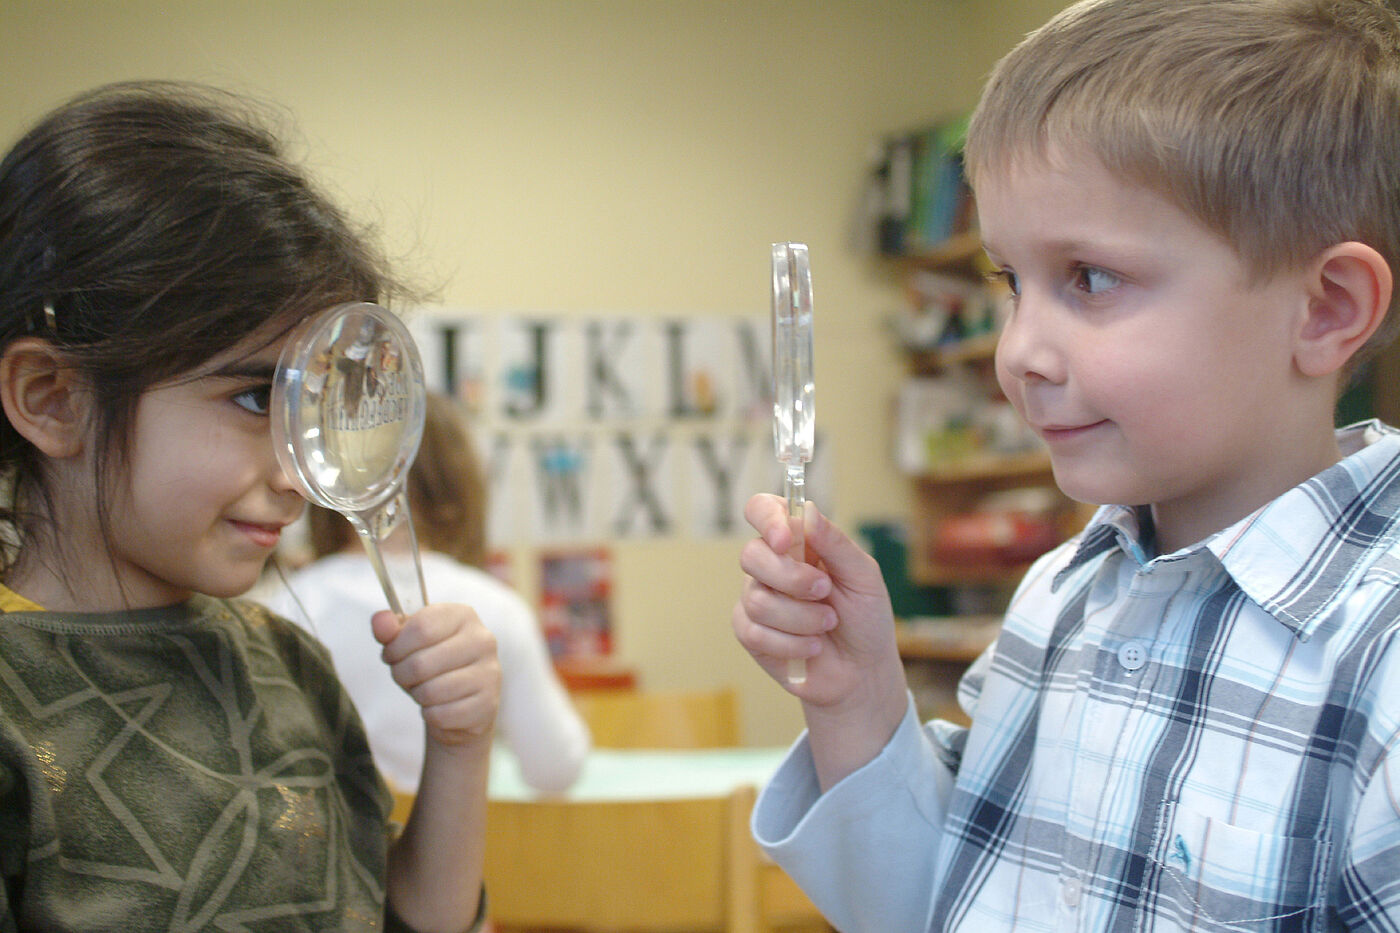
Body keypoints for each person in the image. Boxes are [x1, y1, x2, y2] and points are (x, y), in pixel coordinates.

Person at [733, 1, 1400, 929]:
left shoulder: (1379, 661)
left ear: (1326, 308)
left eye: (1089, 277)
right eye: (1010, 281)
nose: (1019, 353)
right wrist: (858, 699)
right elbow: (945, 903)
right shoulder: (1059, 597)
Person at [0, 82, 498, 933]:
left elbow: (408, 919)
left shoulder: (287, 664)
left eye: (312, 411)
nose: (300, 476)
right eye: (250, 399)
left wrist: (459, 748)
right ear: (53, 398)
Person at [265, 391, 590, 795]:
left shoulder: (287, 603)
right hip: (464, 847)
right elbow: (556, 769)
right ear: (458, 487)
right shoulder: (496, 608)